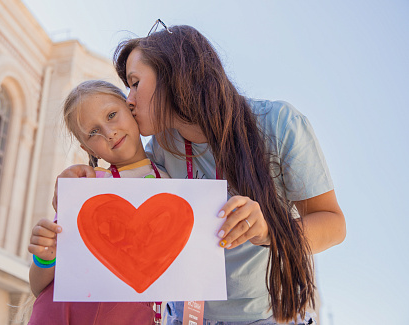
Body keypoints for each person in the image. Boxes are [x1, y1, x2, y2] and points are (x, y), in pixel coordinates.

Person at [53, 23, 346, 325]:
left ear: (173, 73)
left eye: (135, 82)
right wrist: (79, 184)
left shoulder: (279, 125)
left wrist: (269, 231)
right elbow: (126, 192)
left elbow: (334, 224)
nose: (128, 99)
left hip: (270, 316)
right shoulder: (162, 145)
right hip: (183, 318)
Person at [28, 80, 168, 325]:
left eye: (112, 115)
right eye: (93, 132)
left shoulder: (175, 181)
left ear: (131, 107)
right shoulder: (86, 187)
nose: (108, 132)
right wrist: (46, 256)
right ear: (86, 147)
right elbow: (37, 284)